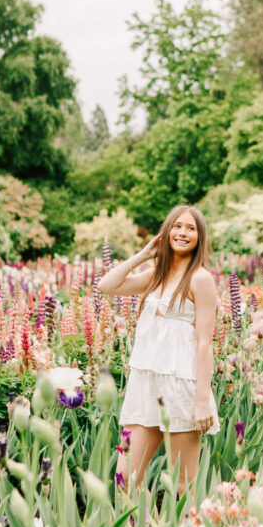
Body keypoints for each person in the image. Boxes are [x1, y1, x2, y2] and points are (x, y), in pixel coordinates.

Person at [98, 204, 220, 501]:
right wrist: (143, 255)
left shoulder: (201, 279)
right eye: (177, 226)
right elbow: (106, 285)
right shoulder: (155, 274)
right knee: (125, 479)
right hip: (146, 383)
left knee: (184, 487)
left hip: (180, 386)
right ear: (166, 233)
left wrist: (202, 401)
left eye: (191, 228)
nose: (183, 232)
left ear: (199, 237)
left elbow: (205, 342)